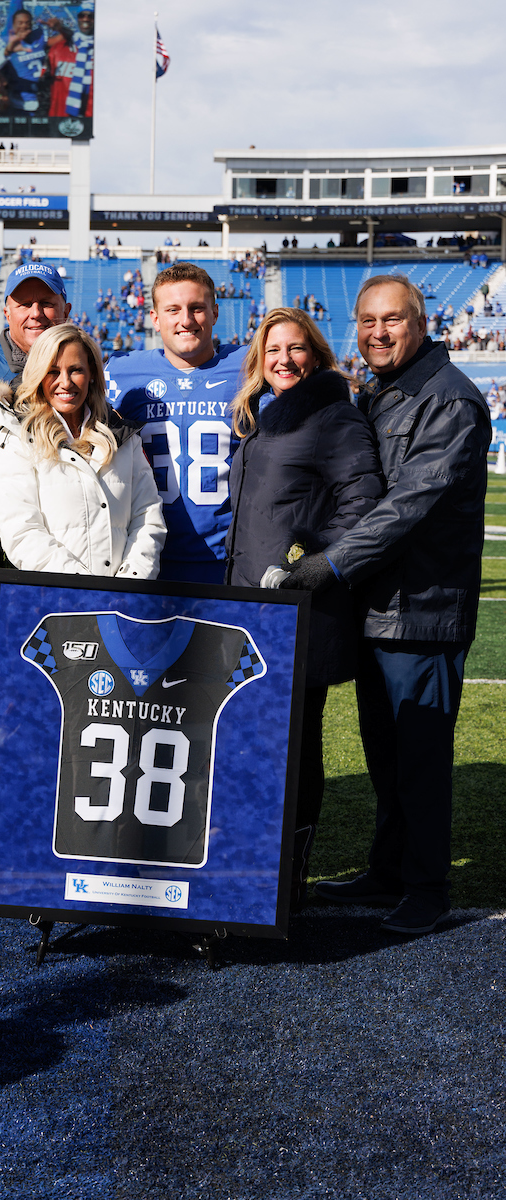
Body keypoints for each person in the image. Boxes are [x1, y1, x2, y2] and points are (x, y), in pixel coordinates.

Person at [284, 275, 491, 935]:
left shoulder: (450, 398)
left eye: (392, 319)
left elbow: (408, 506)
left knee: (419, 761)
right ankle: (388, 869)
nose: (378, 332)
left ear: (421, 323)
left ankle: (426, 888)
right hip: (377, 606)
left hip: (421, 611)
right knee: (385, 755)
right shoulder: (381, 392)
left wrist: (330, 563)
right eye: (368, 321)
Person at [224, 309, 383, 909]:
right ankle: (254, 867)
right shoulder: (267, 416)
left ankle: (285, 879)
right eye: (273, 350)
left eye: (295, 349)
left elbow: (363, 505)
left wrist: (305, 564)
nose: (283, 359)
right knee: (258, 741)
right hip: (252, 608)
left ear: (314, 355)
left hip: (297, 610)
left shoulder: (332, 415)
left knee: (292, 745)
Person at [0, 324, 165, 578]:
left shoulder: (123, 437)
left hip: (124, 597)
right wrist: (81, 590)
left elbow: (147, 517)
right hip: (57, 599)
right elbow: (21, 532)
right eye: (53, 371)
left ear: (91, 373)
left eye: (76, 370)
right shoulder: (16, 439)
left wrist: (130, 584)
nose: (65, 382)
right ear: (38, 375)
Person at [105, 262, 247, 584]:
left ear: (215, 312)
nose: (186, 320)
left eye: (197, 308)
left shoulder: (248, 365)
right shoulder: (121, 372)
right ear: (155, 318)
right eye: (173, 310)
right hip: (146, 558)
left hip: (227, 561)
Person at [0, 262, 71, 394]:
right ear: (8, 315)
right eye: (25, 304)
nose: (36, 313)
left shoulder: (89, 380)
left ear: (65, 312)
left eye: (46, 303)